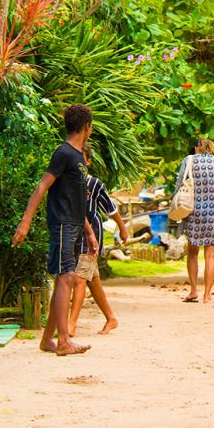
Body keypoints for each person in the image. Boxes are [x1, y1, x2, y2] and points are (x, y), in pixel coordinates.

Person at [13, 104, 98, 356]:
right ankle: (63, 341)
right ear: (86, 127)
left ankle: (48, 339)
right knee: (66, 277)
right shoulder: (64, 153)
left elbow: (78, 200)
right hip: (61, 223)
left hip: (73, 224)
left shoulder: (79, 158)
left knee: (65, 278)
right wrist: (25, 221)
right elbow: (42, 187)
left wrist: (89, 231)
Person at [69, 143, 130, 336]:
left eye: (82, 158)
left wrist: (122, 229)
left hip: (91, 237)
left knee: (79, 279)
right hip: (73, 236)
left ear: (88, 161)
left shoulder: (94, 184)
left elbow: (111, 210)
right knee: (92, 280)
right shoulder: (67, 183)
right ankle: (111, 318)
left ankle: (71, 325)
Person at [175, 138, 214, 304]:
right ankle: (207, 294)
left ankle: (193, 291)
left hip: (194, 211)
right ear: (212, 148)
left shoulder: (189, 161)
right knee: (210, 254)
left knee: (192, 252)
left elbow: (179, 185)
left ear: (197, 147)